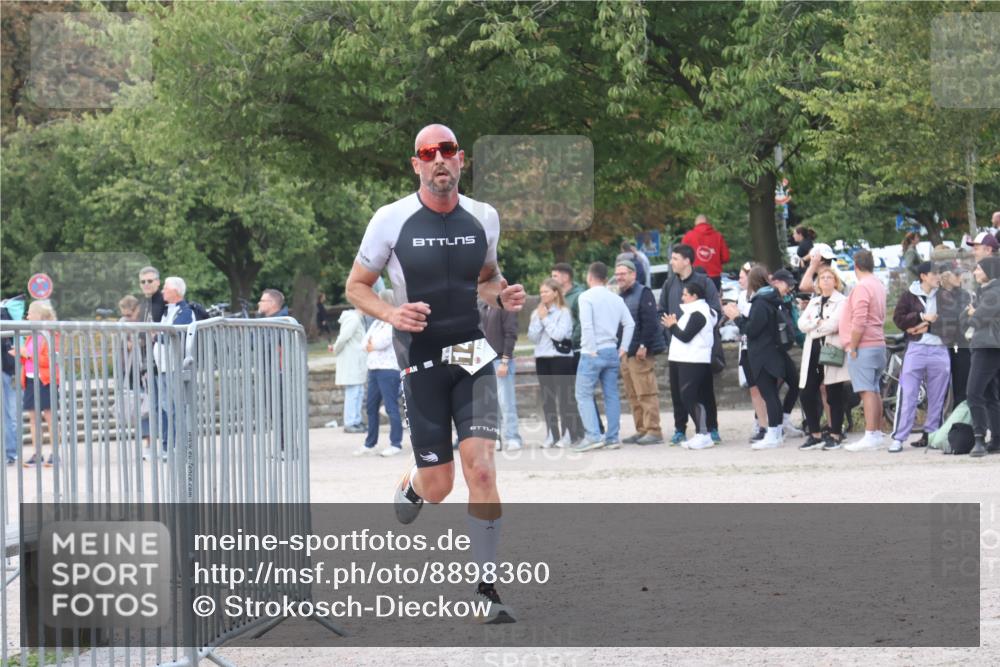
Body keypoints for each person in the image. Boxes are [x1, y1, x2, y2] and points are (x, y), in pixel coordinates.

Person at [344, 123, 525, 623]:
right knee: (441, 484)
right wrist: (390, 313)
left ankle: (487, 589)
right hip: (421, 358)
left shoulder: (484, 217)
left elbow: (486, 279)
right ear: (417, 164)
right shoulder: (390, 219)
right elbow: (356, 286)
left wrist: (502, 295)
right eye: (429, 152)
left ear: (461, 159)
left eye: (447, 150)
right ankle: (414, 483)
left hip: (471, 352)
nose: (439, 159)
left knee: (482, 468)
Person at [658, 243, 722, 444]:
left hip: (698, 351)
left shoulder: (704, 282)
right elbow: (661, 311)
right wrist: (671, 331)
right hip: (676, 348)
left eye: (675, 258)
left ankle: (710, 429)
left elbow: (714, 311)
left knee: (703, 391)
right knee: (677, 392)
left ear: (687, 261)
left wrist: (690, 328)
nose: (671, 262)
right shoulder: (670, 284)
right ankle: (680, 428)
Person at [887, 262, 951, 453]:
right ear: (923, 276)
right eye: (935, 273)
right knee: (907, 393)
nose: (938, 276)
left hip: (939, 348)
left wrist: (923, 326)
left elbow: (951, 321)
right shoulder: (909, 295)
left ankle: (932, 434)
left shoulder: (945, 296)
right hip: (916, 348)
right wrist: (922, 316)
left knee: (938, 395)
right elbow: (898, 319)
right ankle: (899, 437)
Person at [573, 262, 634, 452]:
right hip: (611, 349)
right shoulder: (616, 298)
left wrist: (590, 348)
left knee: (582, 394)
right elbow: (630, 323)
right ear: (606, 279)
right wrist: (623, 347)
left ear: (589, 277)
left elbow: (587, 325)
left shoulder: (586, 297)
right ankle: (612, 437)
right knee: (611, 395)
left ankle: (593, 436)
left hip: (592, 350)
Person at [724, 266, 787, 449]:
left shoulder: (760, 302)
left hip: (762, 354)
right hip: (770, 351)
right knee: (771, 394)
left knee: (769, 395)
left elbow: (752, 329)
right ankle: (774, 432)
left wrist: (736, 317)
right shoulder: (771, 299)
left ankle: (774, 433)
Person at [796, 267, 851, 450]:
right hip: (813, 349)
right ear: (818, 283)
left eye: (829, 277)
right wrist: (816, 324)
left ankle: (835, 433)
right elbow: (801, 324)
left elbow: (833, 325)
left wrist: (814, 328)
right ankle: (815, 433)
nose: (826, 280)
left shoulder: (842, 301)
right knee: (807, 393)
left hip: (831, 349)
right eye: (822, 278)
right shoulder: (814, 302)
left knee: (833, 392)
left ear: (835, 281)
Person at [840, 251, 888, 452]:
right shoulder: (878, 284)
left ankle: (870, 434)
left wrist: (853, 345)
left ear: (855, 266)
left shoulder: (862, 287)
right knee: (874, 389)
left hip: (864, 345)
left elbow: (859, 320)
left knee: (866, 391)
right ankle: (875, 432)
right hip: (878, 343)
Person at [614, 259, 665, 445]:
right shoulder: (621, 296)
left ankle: (654, 430)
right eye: (617, 274)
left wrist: (644, 345)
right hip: (626, 353)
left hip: (640, 352)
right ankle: (641, 429)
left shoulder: (644, 293)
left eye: (623, 273)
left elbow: (650, 321)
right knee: (633, 394)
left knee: (646, 392)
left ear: (633, 275)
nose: (619, 277)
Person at [661, 282, 717, 449]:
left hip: (693, 361)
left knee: (689, 396)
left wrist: (672, 326)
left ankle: (703, 433)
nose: (682, 297)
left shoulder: (699, 313)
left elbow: (685, 336)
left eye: (685, 294)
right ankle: (702, 433)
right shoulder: (691, 312)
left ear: (694, 296)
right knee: (686, 396)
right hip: (683, 359)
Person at [527, 279, 575, 448]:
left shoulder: (564, 312)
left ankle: (568, 433)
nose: (543, 295)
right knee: (548, 399)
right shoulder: (537, 312)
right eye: (541, 292)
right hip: (542, 358)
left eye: (546, 292)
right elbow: (532, 337)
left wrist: (546, 319)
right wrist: (539, 319)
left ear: (555, 293)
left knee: (564, 398)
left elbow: (559, 335)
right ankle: (552, 434)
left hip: (560, 358)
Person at [356, 290, 404, 457]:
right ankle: (370, 443)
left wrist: (372, 345)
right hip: (374, 368)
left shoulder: (393, 322)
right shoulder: (377, 323)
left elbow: (381, 342)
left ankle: (395, 443)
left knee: (391, 407)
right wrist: (371, 345)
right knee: (371, 406)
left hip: (388, 369)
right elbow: (364, 343)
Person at [962, 256, 1000, 457]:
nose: (975, 272)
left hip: (988, 347)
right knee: (990, 395)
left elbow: (978, 318)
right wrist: (971, 314)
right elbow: (964, 317)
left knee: (974, 392)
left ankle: (979, 438)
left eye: (978, 268)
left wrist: (973, 314)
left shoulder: (994, 291)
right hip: (984, 345)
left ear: (989, 271)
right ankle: (997, 439)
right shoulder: (983, 292)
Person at [155, 277, 194, 458]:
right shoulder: (165, 311)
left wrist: (157, 335)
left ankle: (181, 446)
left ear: (176, 291)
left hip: (174, 367)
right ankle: (166, 446)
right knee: (165, 407)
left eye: (166, 288)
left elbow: (174, 335)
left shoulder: (185, 312)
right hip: (162, 367)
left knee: (177, 407)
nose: (163, 291)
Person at [549, 262, 588, 441]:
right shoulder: (555, 297)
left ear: (565, 277)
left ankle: (591, 429)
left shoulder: (578, 296)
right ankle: (574, 431)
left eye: (555, 276)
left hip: (575, 350)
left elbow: (581, 323)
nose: (552, 279)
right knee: (567, 394)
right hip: (559, 353)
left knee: (579, 392)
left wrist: (570, 341)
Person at [479, 295, 523, 451]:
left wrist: (505, 361)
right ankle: (495, 436)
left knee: (506, 402)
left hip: (501, 360)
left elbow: (511, 334)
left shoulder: (505, 307)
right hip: (486, 360)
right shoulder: (484, 307)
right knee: (490, 404)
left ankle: (513, 437)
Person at [19, 300, 59, 467]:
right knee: (33, 418)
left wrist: (28, 355)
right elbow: (26, 357)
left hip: (45, 379)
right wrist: (21, 354)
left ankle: (55, 453)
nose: (27, 316)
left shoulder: (52, 334)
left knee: (49, 417)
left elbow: (50, 359)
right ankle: (38, 453)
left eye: (29, 312)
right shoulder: (31, 334)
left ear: (38, 315)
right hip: (30, 378)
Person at [733, 262, 769, 442]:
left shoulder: (763, 297)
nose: (739, 279)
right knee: (754, 389)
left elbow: (751, 319)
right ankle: (762, 425)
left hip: (762, 348)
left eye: (742, 276)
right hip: (747, 347)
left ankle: (774, 424)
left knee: (766, 389)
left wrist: (736, 315)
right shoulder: (741, 296)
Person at [769, 269, 805, 437]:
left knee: (793, 382)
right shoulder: (770, 299)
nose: (790, 289)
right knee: (771, 388)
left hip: (782, 349)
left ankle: (783, 420)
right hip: (772, 350)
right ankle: (768, 424)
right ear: (776, 282)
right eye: (787, 285)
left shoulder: (787, 301)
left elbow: (795, 327)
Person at [117, 295, 152, 459]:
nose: (127, 318)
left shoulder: (144, 322)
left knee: (145, 407)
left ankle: (148, 443)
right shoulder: (123, 323)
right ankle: (144, 442)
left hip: (142, 368)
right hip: (129, 370)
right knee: (137, 408)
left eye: (129, 315)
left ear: (136, 310)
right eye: (124, 314)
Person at [937, 267, 972, 405]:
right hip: (940, 345)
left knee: (961, 389)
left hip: (960, 344)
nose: (960, 277)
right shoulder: (936, 294)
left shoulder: (964, 294)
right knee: (940, 389)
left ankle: (959, 423)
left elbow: (960, 318)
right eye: (956, 274)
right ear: (945, 276)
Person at [332, 307, 367, 434]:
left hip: (356, 361)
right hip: (352, 361)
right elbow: (343, 338)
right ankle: (350, 422)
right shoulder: (353, 319)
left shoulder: (358, 319)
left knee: (358, 392)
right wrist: (335, 349)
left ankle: (356, 420)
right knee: (353, 393)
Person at [681, 214, 731, 290]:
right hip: (714, 277)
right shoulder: (717, 236)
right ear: (707, 223)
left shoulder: (688, 236)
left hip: (694, 277)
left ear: (696, 223)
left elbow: (682, 257)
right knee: (714, 300)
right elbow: (725, 257)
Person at [1, 304, 19, 465]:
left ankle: (11, 453)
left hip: (5, 370)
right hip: (7, 370)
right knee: (8, 413)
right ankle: (11, 453)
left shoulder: (3, 313)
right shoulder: (5, 312)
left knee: (8, 414)